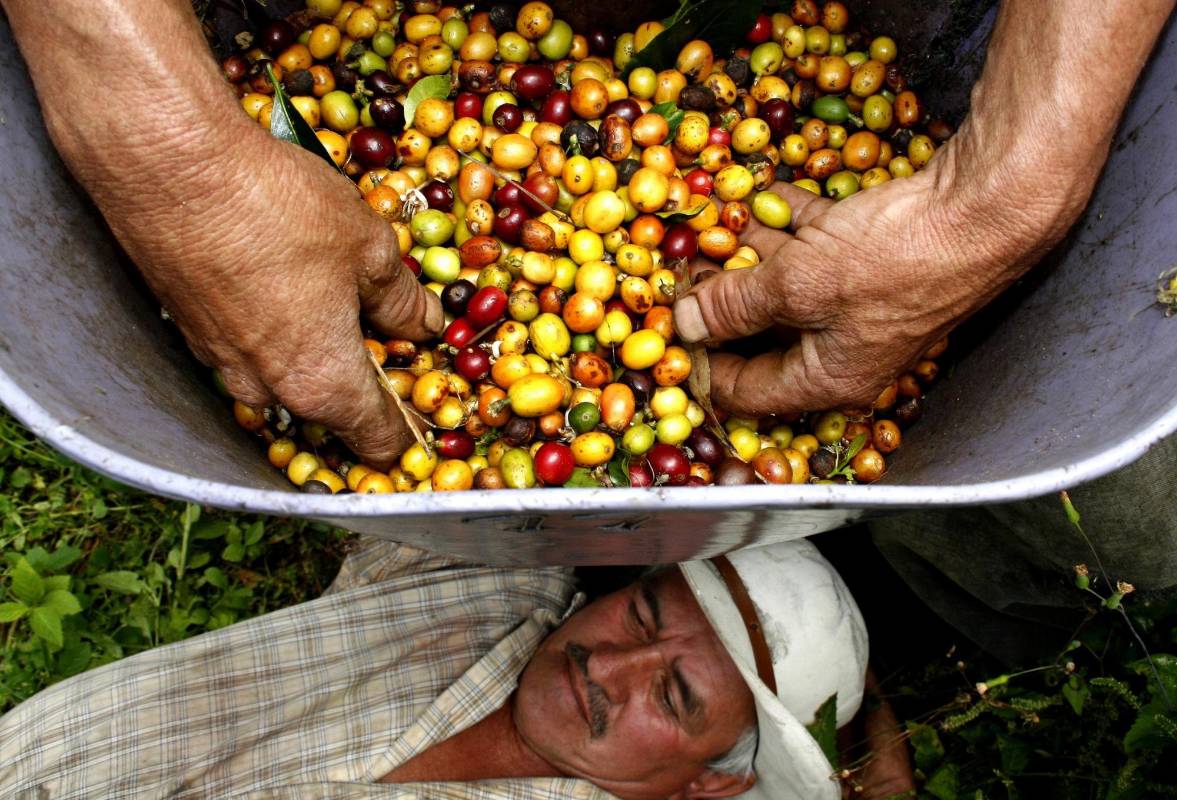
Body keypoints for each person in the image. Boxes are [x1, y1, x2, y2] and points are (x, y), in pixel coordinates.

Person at [0, 537, 907, 799]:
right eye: (639, 614)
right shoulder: (491, 584)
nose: (610, 666)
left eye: (671, 697)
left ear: (709, 785)